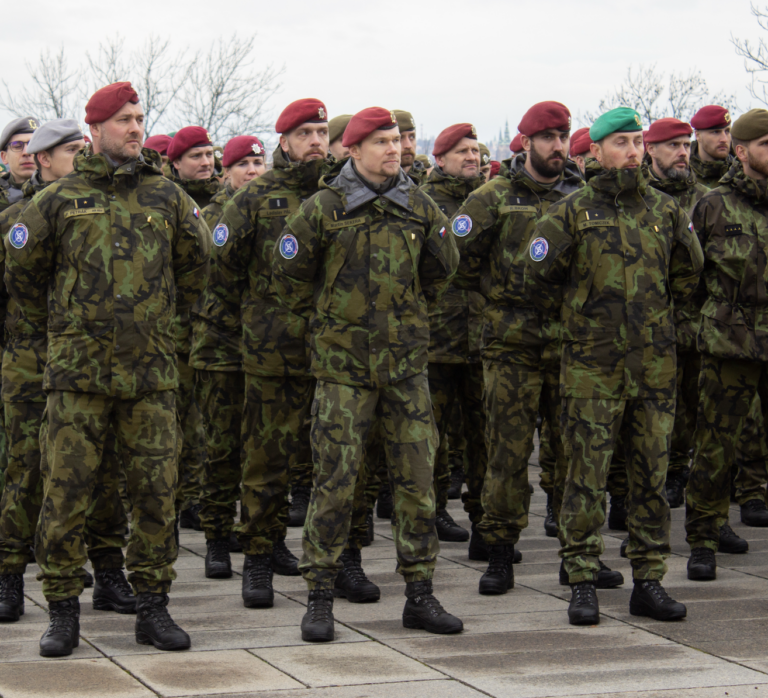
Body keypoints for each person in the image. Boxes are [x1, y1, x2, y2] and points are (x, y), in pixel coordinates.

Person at [4, 81, 210, 656]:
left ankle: (153, 608)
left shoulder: (165, 196)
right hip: (76, 378)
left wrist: (158, 329)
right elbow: (22, 277)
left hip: (149, 378)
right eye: (123, 119)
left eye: (140, 117)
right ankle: (63, 611)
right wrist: (71, 329)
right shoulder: (57, 199)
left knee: (154, 494)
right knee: (66, 494)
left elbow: (197, 270)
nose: (136, 128)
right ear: (94, 130)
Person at [274, 106, 463, 643]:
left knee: (417, 483)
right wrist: (334, 323)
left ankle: (420, 594)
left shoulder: (419, 207)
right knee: (334, 481)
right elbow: (288, 278)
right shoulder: (323, 209)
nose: (393, 149)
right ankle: (319, 596)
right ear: (352, 150)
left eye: (396, 141)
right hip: (343, 371)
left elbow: (442, 270)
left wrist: (402, 320)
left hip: (406, 368)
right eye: (379, 142)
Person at [526, 106, 702, 626]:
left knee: (649, 479)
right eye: (619, 143)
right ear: (596, 152)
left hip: (653, 371)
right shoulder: (571, 212)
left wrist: (662, 330)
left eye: (636, 142)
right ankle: (581, 579)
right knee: (586, 478)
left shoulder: (665, 211)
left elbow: (688, 276)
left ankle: (649, 580)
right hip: (591, 370)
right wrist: (578, 327)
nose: (631, 151)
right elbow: (538, 279)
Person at [453, 102, 593, 595]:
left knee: (575, 454)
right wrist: (499, 297)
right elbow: (456, 260)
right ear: (527, 141)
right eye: (549, 137)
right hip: (512, 346)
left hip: (573, 346)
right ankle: (498, 552)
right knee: (506, 453)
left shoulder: (584, 197)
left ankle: (578, 558)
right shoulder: (493, 197)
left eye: (564, 136)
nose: (559, 146)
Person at [0, 119, 135, 623]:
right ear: (42, 161)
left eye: (84, 148)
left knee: (103, 473)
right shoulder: (17, 218)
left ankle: (108, 573)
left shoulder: (106, 210)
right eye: (70, 151)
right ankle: (10, 576)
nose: (81, 158)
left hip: (94, 364)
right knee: (25, 471)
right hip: (31, 363)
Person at [202, 98, 329, 600]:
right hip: (272, 351)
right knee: (266, 457)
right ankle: (258, 555)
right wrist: (259, 317)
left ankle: (336, 559)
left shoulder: (341, 193)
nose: (315, 141)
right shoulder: (258, 197)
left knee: (329, 463)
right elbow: (221, 266)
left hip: (336, 350)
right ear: (285, 142)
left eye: (321, 131)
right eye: (304, 134)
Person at [685, 109, 768, 581]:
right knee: (715, 445)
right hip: (729, 343)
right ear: (742, 151)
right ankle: (704, 536)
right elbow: (690, 278)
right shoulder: (713, 206)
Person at [190, 134, 267, 573]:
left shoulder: (281, 211)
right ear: (227, 173)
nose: (253, 171)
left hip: (269, 349)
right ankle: (216, 537)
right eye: (244, 165)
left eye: (259, 163)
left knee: (265, 449)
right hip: (221, 346)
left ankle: (259, 535)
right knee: (221, 448)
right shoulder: (212, 216)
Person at [422, 123, 484, 547]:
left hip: (484, 336)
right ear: (440, 159)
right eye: (462, 151)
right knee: (433, 436)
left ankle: (485, 518)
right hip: (436, 337)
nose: (472, 158)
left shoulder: (489, 200)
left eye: (476, 151)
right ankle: (434, 511)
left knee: (484, 433)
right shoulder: (425, 203)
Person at [166, 126, 219, 531]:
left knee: (203, 420)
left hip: (213, 332)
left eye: (209, 154)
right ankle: (175, 496)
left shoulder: (227, 202)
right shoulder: (167, 201)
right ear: (175, 163)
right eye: (195, 156)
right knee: (174, 420)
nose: (205, 163)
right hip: (173, 331)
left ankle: (196, 498)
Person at [0, 117, 39, 211]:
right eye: (17, 146)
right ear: (4, 157)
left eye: (33, 144)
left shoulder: (61, 190)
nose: (26, 152)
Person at [690, 105, 733, 187]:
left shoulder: (742, 174)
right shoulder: (682, 174)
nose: (724, 139)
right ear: (698, 135)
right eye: (716, 132)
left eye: (727, 131)